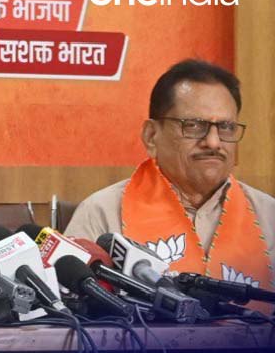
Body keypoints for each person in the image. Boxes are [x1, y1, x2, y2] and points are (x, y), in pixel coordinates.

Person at [65, 59, 274, 289]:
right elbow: (72, 301)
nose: (214, 142)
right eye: (194, 125)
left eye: (226, 127)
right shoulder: (102, 213)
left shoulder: (268, 216)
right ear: (151, 136)